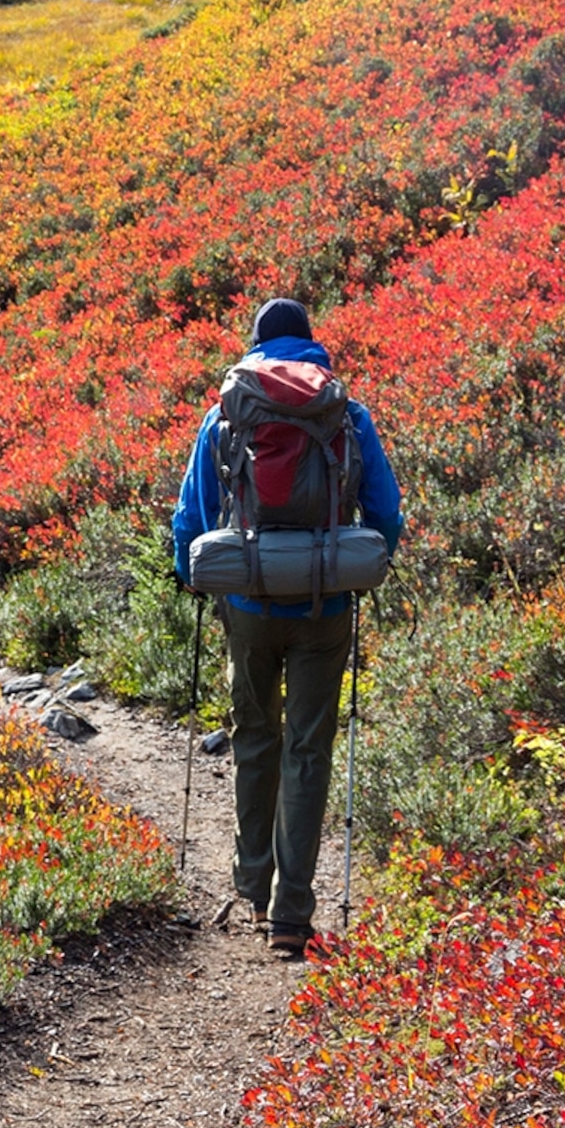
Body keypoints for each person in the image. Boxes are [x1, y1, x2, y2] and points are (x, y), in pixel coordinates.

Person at [171, 297, 403, 959]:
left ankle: (251, 884)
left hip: (247, 604)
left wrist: (197, 578)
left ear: (254, 345)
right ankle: (290, 917)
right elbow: (386, 514)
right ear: (311, 345)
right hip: (326, 605)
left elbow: (192, 519)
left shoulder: (227, 414)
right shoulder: (345, 414)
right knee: (308, 748)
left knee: (254, 739)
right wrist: (349, 564)